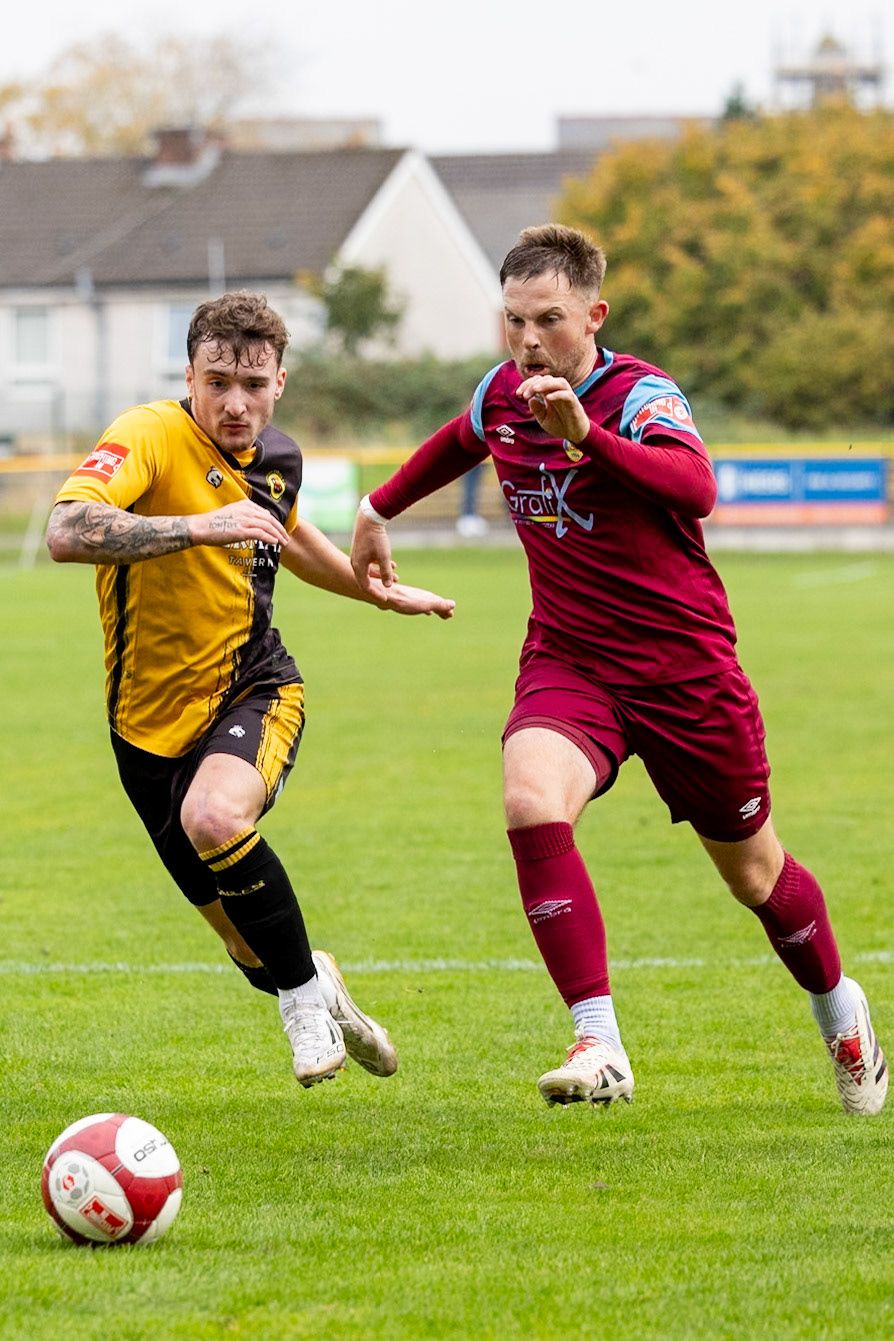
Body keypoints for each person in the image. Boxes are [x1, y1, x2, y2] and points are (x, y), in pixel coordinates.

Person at [350, 223, 887, 1116]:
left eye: (549, 320)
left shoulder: (640, 395)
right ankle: (599, 1039)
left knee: (755, 875)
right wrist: (377, 506)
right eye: (514, 320)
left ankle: (841, 1007)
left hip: (686, 673)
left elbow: (695, 487)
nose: (528, 342)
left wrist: (587, 435)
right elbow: (462, 434)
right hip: (572, 660)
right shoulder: (504, 392)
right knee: (529, 798)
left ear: (594, 315)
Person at [46, 291, 455, 1091]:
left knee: (214, 817)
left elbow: (289, 536)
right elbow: (67, 531)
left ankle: (302, 1003)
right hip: (143, 730)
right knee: (246, 945)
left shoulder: (278, 458)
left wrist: (373, 590)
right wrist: (200, 525)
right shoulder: (147, 436)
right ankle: (316, 978)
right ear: (190, 375)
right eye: (219, 381)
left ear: (280, 382)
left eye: (255, 384)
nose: (237, 403)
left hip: (254, 687)